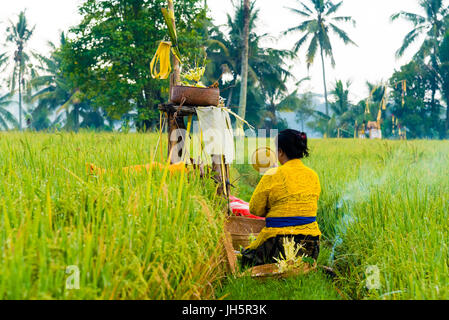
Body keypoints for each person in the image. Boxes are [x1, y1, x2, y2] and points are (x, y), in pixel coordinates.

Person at [241, 129, 321, 267]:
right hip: (311, 245)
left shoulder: (273, 174)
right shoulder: (313, 175)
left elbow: (254, 209)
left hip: (279, 243)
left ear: (281, 152)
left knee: (247, 258)